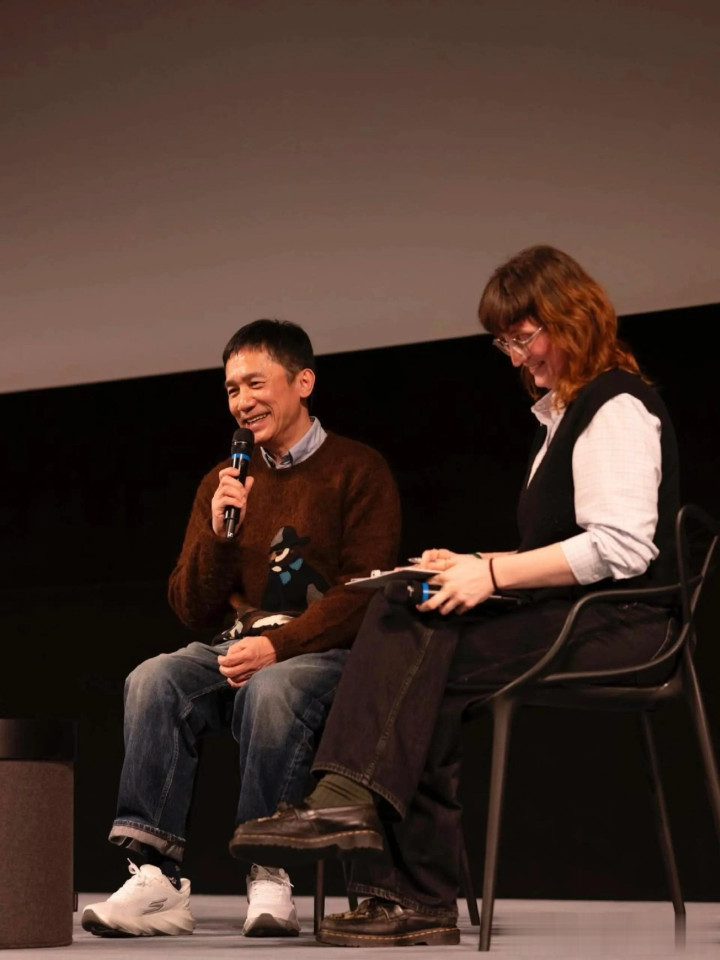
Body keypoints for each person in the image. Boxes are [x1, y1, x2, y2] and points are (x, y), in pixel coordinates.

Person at [228, 247, 680, 947]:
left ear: (572, 318)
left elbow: (621, 548)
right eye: (506, 344)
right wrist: (474, 564)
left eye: (523, 338)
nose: (516, 358)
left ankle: (369, 834)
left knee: (421, 650)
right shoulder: (562, 417)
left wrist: (489, 578)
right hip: (579, 613)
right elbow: (565, 544)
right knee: (410, 601)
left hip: (627, 626)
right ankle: (394, 875)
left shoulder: (614, 405)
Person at [81, 319, 401, 938]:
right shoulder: (224, 480)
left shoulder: (358, 469)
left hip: (327, 656)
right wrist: (220, 534)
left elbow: (364, 594)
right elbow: (190, 608)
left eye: (256, 383)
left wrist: (277, 645)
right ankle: (157, 876)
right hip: (239, 646)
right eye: (231, 389)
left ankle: (268, 868)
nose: (242, 401)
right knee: (155, 679)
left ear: (303, 382)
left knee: (273, 687)